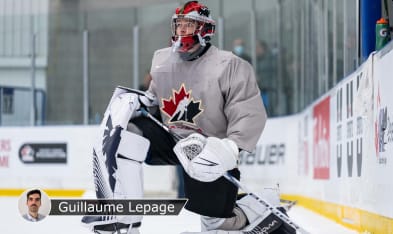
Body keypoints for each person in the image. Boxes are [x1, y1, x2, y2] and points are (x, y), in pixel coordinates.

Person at [82, 1, 294, 233]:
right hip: (170, 137)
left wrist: (230, 148)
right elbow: (155, 97)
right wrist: (142, 102)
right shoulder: (162, 61)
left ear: (205, 29)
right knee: (127, 135)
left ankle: (253, 209)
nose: (182, 31)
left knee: (217, 225)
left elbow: (248, 112)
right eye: (178, 25)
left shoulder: (230, 65)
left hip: (208, 149)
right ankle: (125, 219)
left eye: (189, 25)